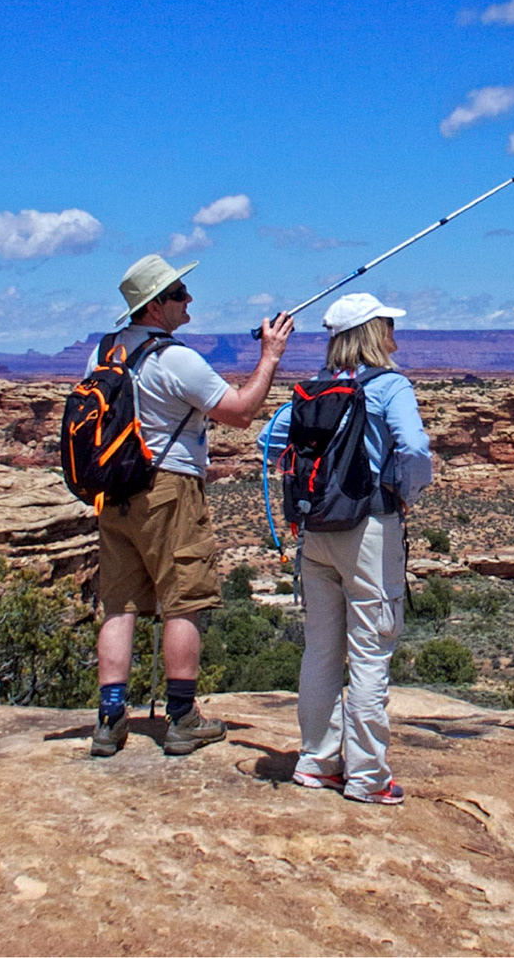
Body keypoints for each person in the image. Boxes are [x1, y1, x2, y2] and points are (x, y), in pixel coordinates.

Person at [89, 253, 293, 758]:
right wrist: (270, 357)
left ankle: (109, 719)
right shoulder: (173, 358)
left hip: (114, 492)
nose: (189, 300)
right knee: (185, 598)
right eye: (179, 293)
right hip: (168, 489)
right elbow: (242, 413)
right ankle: (182, 718)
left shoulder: (103, 352)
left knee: (120, 604)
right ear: (156, 306)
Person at [260, 293, 434, 804]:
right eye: (387, 326)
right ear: (373, 334)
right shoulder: (388, 385)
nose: (394, 335)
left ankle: (316, 763)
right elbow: (415, 448)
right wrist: (407, 491)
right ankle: (367, 778)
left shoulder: (312, 389)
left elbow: (268, 444)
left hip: (315, 535)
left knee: (320, 649)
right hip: (369, 531)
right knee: (369, 650)